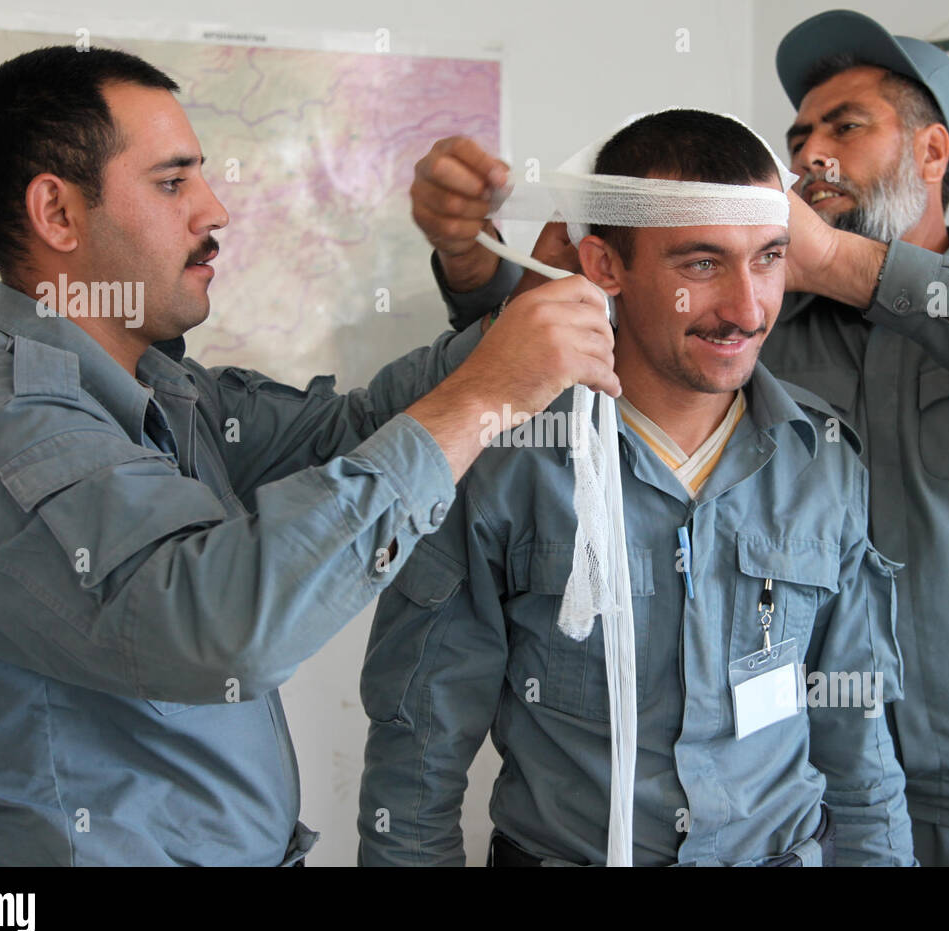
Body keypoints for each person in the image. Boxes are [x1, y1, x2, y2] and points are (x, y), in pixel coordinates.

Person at [418, 12, 949, 867]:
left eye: (847, 125)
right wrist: (476, 265)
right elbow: (566, 352)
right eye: (799, 133)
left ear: (932, 154)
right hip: (812, 797)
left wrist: (841, 260)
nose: (812, 152)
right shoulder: (760, 334)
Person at [0, 46, 617, 866]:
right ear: (57, 215)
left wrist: (513, 316)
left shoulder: (159, 388)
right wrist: (485, 398)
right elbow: (222, 628)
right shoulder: (6, 432)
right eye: (172, 183)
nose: (215, 209)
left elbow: (356, 429)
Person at [358, 109, 914, 867]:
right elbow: (419, 748)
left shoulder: (820, 459)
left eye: (769, 258)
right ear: (604, 265)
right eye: (701, 265)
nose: (748, 310)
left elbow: (861, 748)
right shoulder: (508, 460)